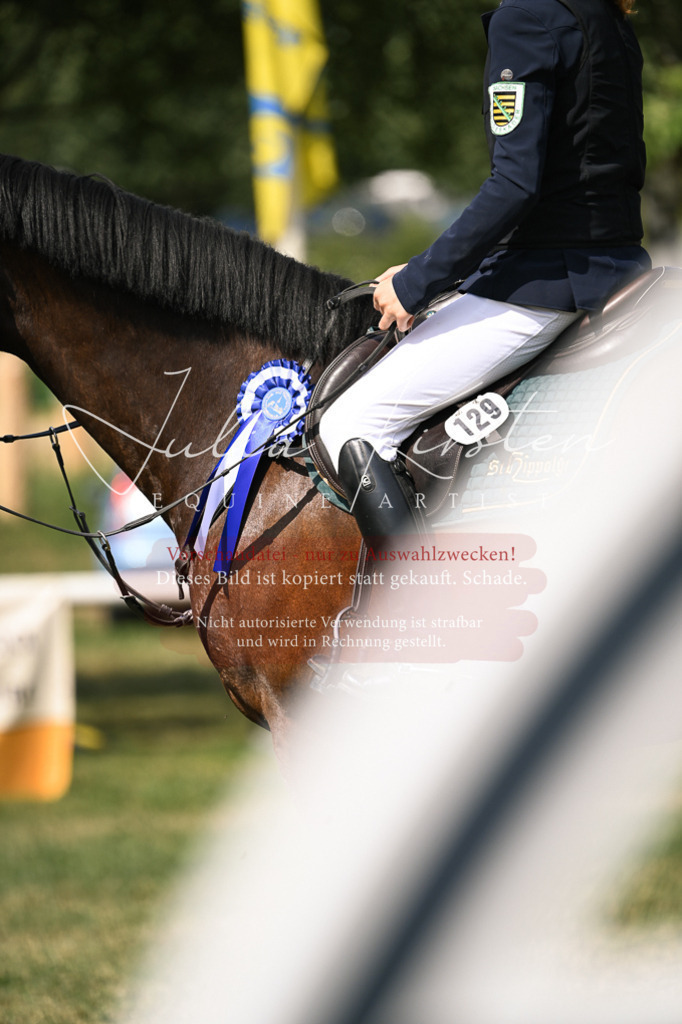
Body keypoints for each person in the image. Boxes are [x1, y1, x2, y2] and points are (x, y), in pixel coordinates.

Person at [319, 0, 650, 546]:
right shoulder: (604, 14)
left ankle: (418, 597)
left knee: (350, 425)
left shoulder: (527, 17)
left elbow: (515, 187)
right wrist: (428, 269)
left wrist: (415, 284)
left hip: (547, 283)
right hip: (616, 268)